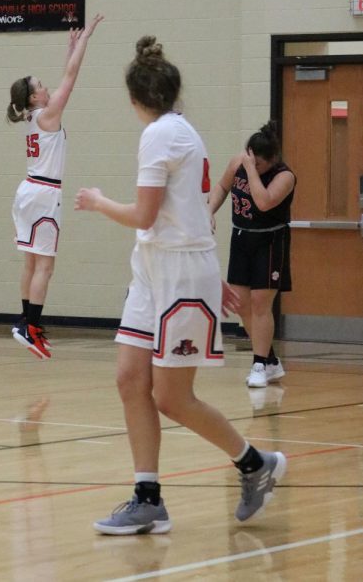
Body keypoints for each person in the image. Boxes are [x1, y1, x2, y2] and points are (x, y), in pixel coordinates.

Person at [74, 36, 286, 535]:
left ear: (134, 99)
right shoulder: (175, 130)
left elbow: (145, 213)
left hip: (179, 271)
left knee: (171, 396)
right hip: (156, 267)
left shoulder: (161, 136)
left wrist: (99, 201)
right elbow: (178, 214)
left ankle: (256, 463)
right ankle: (148, 496)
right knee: (130, 378)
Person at [7, 14, 104, 359]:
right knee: (45, 267)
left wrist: (72, 49)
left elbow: (64, 81)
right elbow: (71, 79)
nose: (47, 88)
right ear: (34, 98)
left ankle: (24, 322)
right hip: (44, 194)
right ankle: (30, 326)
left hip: (29, 190)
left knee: (32, 264)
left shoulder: (34, 117)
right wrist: (86, 40)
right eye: (41, 86)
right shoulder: (46, 116)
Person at [209, 121, 296, 389]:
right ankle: (270, 360)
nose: (252, 166)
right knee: (240, 303)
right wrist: (209, 210)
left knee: (260, 302)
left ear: (272, 160)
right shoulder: (239, 163)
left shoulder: (284, 176)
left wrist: (250, 170)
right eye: (250, 161)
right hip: (241, 238)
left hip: (270, 240)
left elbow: (263, 201)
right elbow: (223, 187)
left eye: (258, 164)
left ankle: (259, 363)